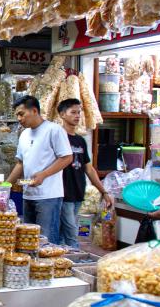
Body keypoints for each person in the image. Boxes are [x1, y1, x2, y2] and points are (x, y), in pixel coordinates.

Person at [6, 95, 73, 244]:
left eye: (21, 114)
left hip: (48, 196)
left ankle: (50, 267)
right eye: (17, 115)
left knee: (46, 241)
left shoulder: (54, 130)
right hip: (28, 195)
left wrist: (44, 174)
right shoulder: (24, 134)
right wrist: (6, 186)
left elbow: (67, 158)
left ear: (34, 110)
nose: (18, 118)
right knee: (28, 241)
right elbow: (20, 163)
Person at [57, 98, 113, 248]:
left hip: (78, 192)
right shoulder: (57, 138)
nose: (77, 116)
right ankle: (76, 261)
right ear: (62, 114)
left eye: (79, 112)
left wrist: (103, 191)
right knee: (71, 230)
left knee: (65, 231)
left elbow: (89, 168)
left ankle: (62, 261)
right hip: (62, 192)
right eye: (73, 112)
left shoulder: (80, 141)